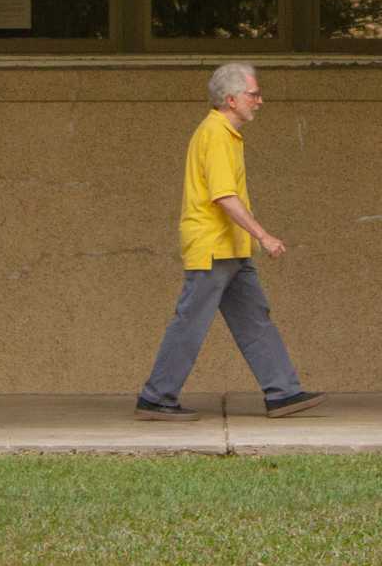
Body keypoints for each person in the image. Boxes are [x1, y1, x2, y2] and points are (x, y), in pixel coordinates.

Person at [134, 62, 325, 421]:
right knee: (190, 322)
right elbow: (224, 196)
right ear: (231, 99)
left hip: (231, 249)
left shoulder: (225, 134)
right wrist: (264, 236)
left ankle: (284, 392)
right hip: (214, 247)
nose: (260, 101)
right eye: (254, 95)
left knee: (255, 320)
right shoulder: (216, 134)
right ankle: (156, 397)